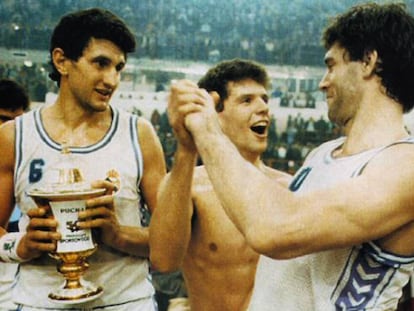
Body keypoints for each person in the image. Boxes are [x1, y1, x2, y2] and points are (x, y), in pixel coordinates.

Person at [167, 3, 414, 311]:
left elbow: (273, 230)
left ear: (368, 61)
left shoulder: (405, 168)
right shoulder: (322, 154)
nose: (324, 81)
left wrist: (207, 129)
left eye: (331, 65)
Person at [0, 8, 166, 310]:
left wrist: (120, 236)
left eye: (119, 68)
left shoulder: (139, 134)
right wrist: (21, 246)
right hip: (39, 302)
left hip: (124, 302)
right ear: (61, 60)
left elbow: (173, 244)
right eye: (101, 63)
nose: (112, 80)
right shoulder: (14, 137)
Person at [150, 59, 291, 310]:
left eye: (265, 99)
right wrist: (187, 147)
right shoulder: (189, 187)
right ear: (214, 111)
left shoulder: (289, 188)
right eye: (246, 100)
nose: (263, 109)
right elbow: (163, 260)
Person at [0, 78, 29, 311]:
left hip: (17, 299)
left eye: (19, 124)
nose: (11, 131)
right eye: (4, 121)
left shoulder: (27, 174)